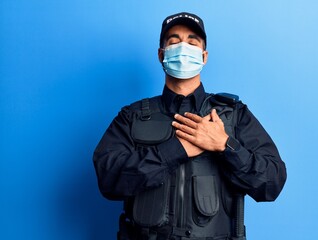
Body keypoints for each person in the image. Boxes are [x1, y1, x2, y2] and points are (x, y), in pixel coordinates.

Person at [93, 12, 287, 240]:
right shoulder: (132, 116)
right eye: (174, 41)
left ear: (204, 56)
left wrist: (225, 145)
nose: (182, 48)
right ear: (161, 54)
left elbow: (271, 183)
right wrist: (175, 150)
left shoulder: (233, 115)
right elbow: (108, 179)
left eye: (192, 42)